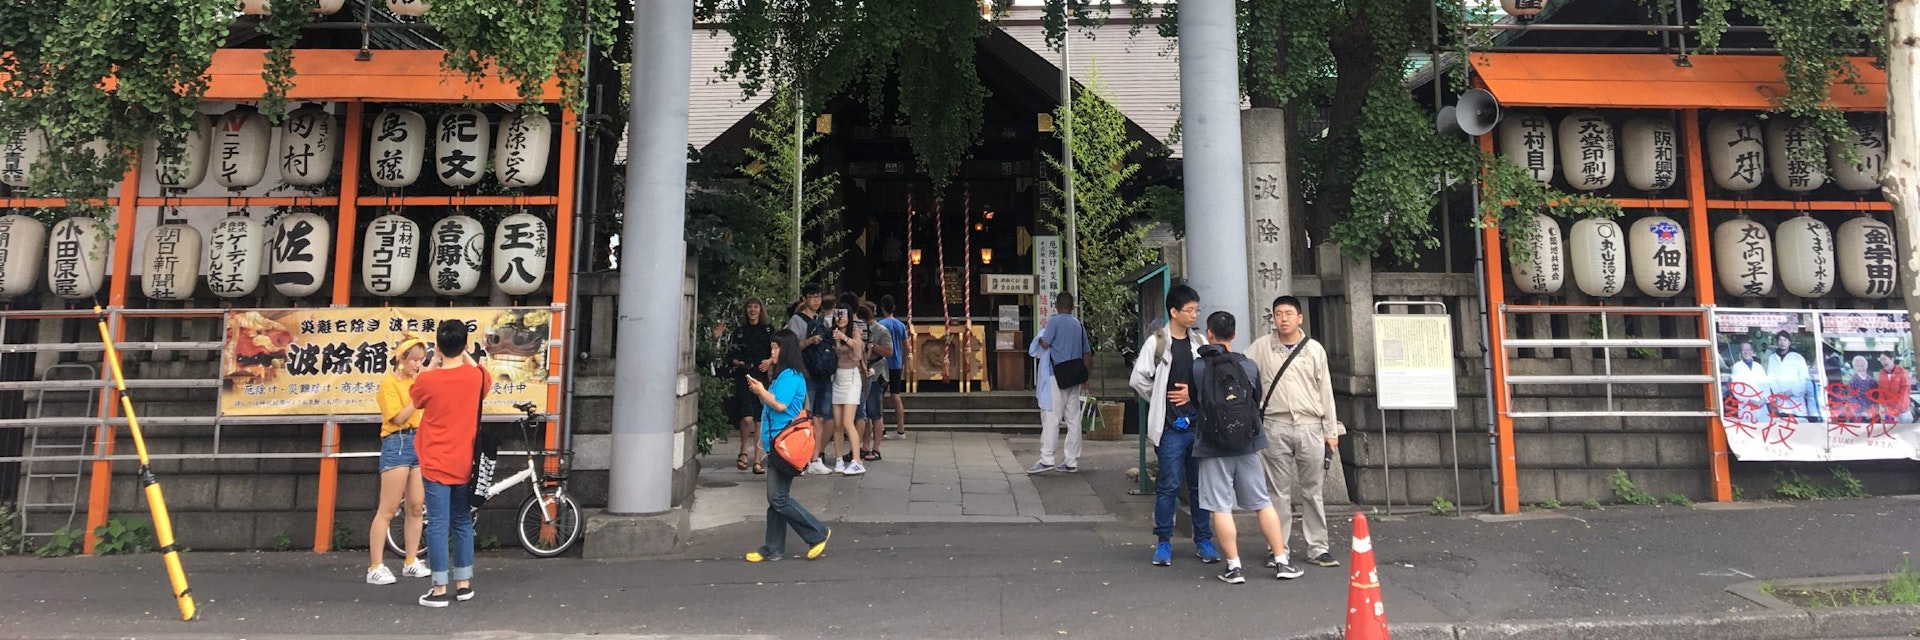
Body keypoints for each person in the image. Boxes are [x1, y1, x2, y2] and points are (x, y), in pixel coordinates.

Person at [1189, 311, 1291, 584]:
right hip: (1247, 443)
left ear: (1210, 334)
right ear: (1234, 334)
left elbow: (1195, 400)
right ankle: (1281, 561)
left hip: (1212, 445)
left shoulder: (1199, 367)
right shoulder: (1248, 366)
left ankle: (1234, 567)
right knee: (1262, 502)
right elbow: (1256, 399)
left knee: (1221, 507)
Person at [1246, 296, 1344, 578]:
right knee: (1278, 491)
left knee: (1312, 490)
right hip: (1274, 425)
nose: (1283, 319)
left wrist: (1331, 430)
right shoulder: (1262, 347)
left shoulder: (1314, 350)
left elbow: (1326, 391)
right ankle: (1279, 547)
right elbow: (1242, 370)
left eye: (1289, 313)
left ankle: (1318, 547)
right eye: (1278, 314)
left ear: (1300, 318)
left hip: (1310, 426)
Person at [1128, 284, 1221, 567]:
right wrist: (1159, 394)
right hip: (1169, 428)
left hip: (1196, 425)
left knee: (1199, 486)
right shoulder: (1157, 342)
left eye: (1196, 309)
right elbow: (1138, 379)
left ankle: (1203, 539)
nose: (1194, 314)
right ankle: (1164, 541)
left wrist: (1191, 395)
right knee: (1168, 485)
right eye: (1189, 310)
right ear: (1174, 312)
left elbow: (1209, 379)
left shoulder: (1198, 342)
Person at [408, 320, 490, 607]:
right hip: (465, 460)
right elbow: (480, 371)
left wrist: (434, 361)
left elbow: (416, 397)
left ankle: (440, 588)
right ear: (466, 345)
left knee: (438, 524)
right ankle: (464, 583)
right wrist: (463, 354)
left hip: (434, 460)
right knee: (462, 521)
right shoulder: (476, 377)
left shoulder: (428, 380)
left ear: (439, 347)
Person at [744, 329, 832, 562]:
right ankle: (773, 548)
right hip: (778, 443)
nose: (772, 352)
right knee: (777, 498)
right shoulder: (783, 375)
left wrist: (762, 391)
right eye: (771, 347)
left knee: (778, 498)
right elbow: (773, 403)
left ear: (786, 350)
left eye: (775, 348)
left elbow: (781, 405)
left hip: (785, 444)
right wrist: (760, 391)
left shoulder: (791, 376)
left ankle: (817, 533)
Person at [366, 335, 431, 585]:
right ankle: (375, 566)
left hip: (420, 441)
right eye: (414, 360)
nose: (418, 364)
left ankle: (411, 560)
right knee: (388, 508)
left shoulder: (419, 381)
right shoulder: (389, 384)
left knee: (416, 506)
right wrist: (417, 396)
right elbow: (399, 419)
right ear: (401, 359)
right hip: (398, 441)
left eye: (421, 360)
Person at [1027, 291, 1089, 473]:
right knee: (1073, 419)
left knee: (1052, 418)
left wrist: (1041, 337)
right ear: (1072, 306)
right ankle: (1071, 461)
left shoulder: (1054, 321)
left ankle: (1047, 458)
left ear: (1057, 305)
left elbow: (1045, 343)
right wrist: (1086, 377)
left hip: (1057, 375)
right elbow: (1087, 353)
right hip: (1075, 375)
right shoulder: (1078, 325)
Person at [786, 284, 835, 475]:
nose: (816, 300)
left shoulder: (823, 320)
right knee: (805, 416)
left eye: (818, 297)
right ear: (804, 299)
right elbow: (790, 346)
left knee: (821, 417)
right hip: (806, 373)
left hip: (823, 372)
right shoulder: (796, 320)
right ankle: (801, 457)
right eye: (812, 297)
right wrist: (808, 341)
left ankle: (815, 457)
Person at [728, 299, 775, 474]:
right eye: (749, 306)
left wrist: (769, 362)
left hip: (761, 377)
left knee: (759, 420)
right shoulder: (739, 332)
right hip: (744, 376)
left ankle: (757, 460)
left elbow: (776, 350)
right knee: (747, 417)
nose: (752, 310)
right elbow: (731, 355)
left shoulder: (769, 330)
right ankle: (743, 450)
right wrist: (739, 363)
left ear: (760, 310)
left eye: (756, 307)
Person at [827, 293, 867, 475]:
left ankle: (857, 460)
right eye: (837, 314)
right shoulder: (832, 333)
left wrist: (844, 338)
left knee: (847, 421)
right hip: (837, 378)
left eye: (843, 314)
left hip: (851, 378)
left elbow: (858, 351)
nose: (840, 318)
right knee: (836, 423)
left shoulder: (854, 332)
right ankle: (838, 459)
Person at [857, 302, 894, 461]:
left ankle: (876, 447)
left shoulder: (881, 330)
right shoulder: (858, 329)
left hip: (876, 371)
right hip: (861, 373)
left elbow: (889, 351)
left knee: (875, 412)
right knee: (863, 412)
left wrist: (872, 346)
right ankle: (865, 446)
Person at [877, 296, 911, 440]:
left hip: (883, 364)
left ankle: (881, 428)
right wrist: (903, 362)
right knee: (896, 395)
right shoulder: (901, 325)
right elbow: (907, 346)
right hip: (896, 363)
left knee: (879, 396)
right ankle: (901, 429)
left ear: (882, 308)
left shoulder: (881, 324)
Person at [1765, 331, 1815, 419]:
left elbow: (1804, 379)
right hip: (1781, 400)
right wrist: (1778, 393)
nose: (1782, 342)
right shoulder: (1772, 358)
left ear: (1789, 342)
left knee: (1799, 424)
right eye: (1780, 340)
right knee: (1784, 424)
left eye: (1785, 340)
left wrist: (1792, 392)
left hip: (1796, 399)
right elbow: (1770, 378)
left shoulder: (1798, 358)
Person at [1726, 340, 1770, 422]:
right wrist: (1749, 400)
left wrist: (1763, 400)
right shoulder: (1737, 367)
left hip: (1761, 405)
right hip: (1746, 405)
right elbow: (1737, 388)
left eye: (1748, 349)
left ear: (1752, 351)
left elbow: (1765, 385)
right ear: (1740, 352)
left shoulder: (1759, 366)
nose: (1746, 352)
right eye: (1743, 350)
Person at [1876, 352, 1911, 422]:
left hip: (1902, 410)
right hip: (1889, 410)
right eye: (1881, 360)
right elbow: (1880, 390)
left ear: (1892, 359)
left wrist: (1897, 409)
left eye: (1884, 359)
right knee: (1890, 430)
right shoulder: (1881, 373)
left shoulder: (1903, 372)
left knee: (1904, 431)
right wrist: (1884, 405)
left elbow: (1904, 393)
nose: (1882, 362)